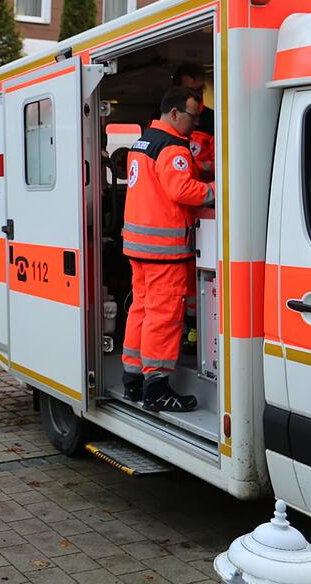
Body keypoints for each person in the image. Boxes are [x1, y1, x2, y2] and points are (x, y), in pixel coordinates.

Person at [120, 86, 215, 413]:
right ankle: (157, 388)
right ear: (174, 113)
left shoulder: (143, 141)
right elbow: (182, 190)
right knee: (163, 317)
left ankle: (133, 380)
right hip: (165, 252)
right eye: (193, 116)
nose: (195, 122)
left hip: (140, 249)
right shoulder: (172, 147)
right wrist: (218, 189)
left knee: (141, 311)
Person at [172, 63, 214, 181]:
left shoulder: (213, 120)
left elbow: (222, 164)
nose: (197, 94)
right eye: (190, 90)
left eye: (200, 89)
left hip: (204, 190)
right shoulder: (163, 118)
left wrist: (193, 165)